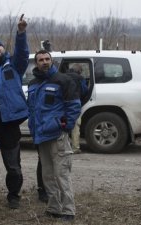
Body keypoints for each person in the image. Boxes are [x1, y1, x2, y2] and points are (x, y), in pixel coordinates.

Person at [0, 14, 29, 209]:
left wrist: (21, 32)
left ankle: (14, 196)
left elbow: (23, 52)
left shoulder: (14, 65)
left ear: (3, 48)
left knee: (13, 166)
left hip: (9, 123)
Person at [27, 49, 81, 221]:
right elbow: (32, 109)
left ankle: (68, 210)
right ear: (36, 63)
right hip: (41, 136)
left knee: (61, 173)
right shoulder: (33, 83)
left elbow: (74, 106)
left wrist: (65, 126)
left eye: (47, 59)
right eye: (40, 59)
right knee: (47, 175)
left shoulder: (63, 80)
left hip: (57, 135)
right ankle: (54, 207)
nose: (44, 61)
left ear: (52, 60)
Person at [67, 63, 89, 153]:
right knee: (75, 126)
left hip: (64, 104)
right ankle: (75, 148)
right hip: (75, 103)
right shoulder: (80, 78)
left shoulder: (63, 76)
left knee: (64, 125)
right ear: (79, 71)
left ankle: (65, 147)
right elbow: (84, 90)